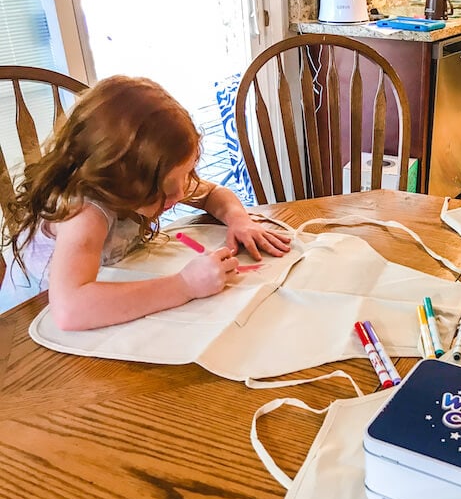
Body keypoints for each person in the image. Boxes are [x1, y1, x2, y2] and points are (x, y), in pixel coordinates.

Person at [2, 75, 291, 330]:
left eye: (185, 174)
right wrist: (185, 285)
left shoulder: (142, 183)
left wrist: (239, 219)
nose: (181, 192)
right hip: (26, 333)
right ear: (125, 177)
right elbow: (69, 310)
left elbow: (214, 194)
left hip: (100, 306)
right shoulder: (83, 211)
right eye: (167, 185)